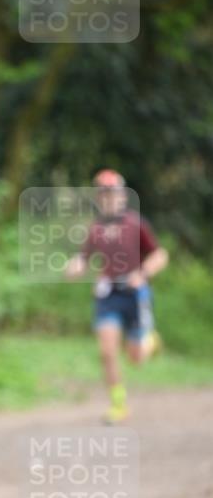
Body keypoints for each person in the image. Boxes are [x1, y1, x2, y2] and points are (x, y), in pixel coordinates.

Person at [65, 169, 168, 424]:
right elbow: (84, 257)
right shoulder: (96, 228)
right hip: (108, 294)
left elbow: (160, 255)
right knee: (107, 351)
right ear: (99, 199)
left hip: (134, 294)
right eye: (104, 195)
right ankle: (119, 404)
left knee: (135, 357)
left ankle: (150, 343)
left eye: (113, 194)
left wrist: (142, 273)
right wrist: (76, 266)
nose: (109, 199)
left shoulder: (136, 224)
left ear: (122, 196)